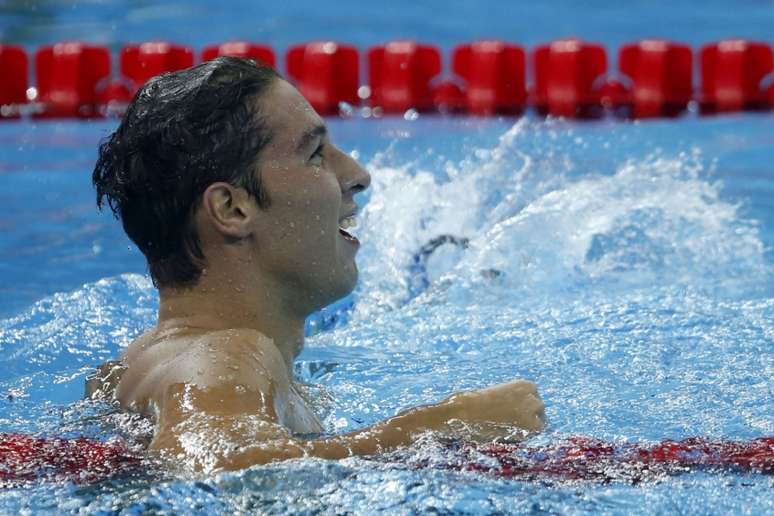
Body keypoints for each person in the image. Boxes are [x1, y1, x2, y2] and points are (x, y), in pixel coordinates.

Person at [88, 57, 545, 473]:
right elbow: (220, 463)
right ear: (231, 209)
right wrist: (445, 424)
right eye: (314, 155)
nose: (357, 175)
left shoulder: (134, 366)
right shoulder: (228, 354)